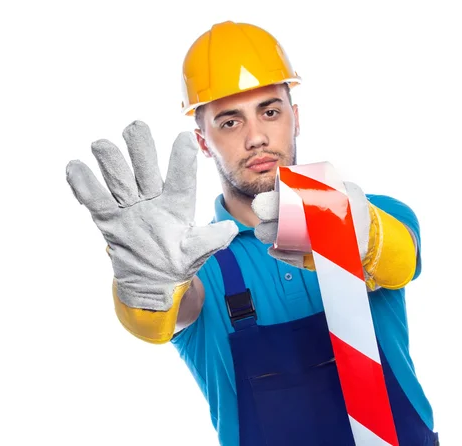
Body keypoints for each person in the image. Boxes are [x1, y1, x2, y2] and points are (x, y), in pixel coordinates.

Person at [66, 20, 439, 446]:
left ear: (295, 118)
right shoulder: (193, 264)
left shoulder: (374, 216)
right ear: (203, 141)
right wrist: (147, 290)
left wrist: (351, 232)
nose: (256, 137)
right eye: (229, 122)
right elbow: (163, 317)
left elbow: (396, 257)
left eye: (270, 111)